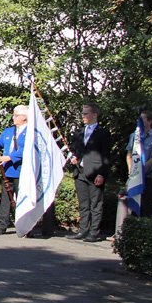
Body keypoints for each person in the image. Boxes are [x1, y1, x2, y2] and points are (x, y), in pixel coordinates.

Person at [67, 103, 111, 242]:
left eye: (86, 113)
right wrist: (73, 157)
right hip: (80, 171)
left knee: (96, 204)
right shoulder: (79, 132)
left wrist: (101, 174)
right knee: (83, 203)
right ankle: (83, 230)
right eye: (82, 113)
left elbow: (105, 155)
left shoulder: (103, 133)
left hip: (95, 172)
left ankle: (94, 232)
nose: (83, 116)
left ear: (94, 114)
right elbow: (74, 149)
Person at [0, 105, 28, 236]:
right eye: (13, 115)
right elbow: (0, 144)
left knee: (22, 200)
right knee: (5, 200)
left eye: (16, 115)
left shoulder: (30, 133)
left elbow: (26, 150)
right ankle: (2, 225)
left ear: (24, 118)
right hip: (7, 171)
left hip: (21, 171)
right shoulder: (8, 131)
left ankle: (25, 226)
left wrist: (9, 157)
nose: (13, 117)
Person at [125, 110, 152, 217]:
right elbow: (129, 154)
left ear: (149, 121)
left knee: (146, 205)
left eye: (142, 119)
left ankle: (145, 225)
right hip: (134, 176)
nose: (139, 121)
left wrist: (141, 168)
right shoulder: (134, 136)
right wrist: (131, 169)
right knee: (132, 205)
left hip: (149, 176)